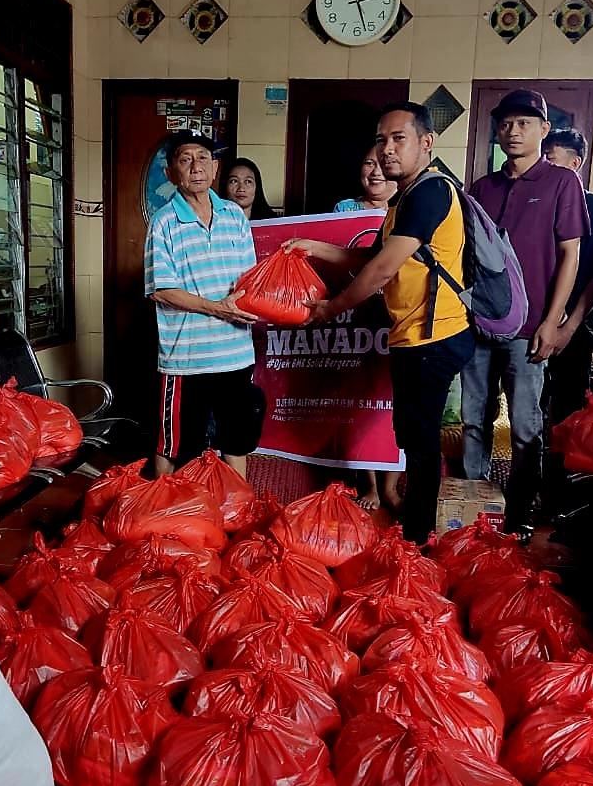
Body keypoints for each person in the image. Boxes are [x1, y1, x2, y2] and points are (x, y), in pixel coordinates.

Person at [287, 102, 474, 545]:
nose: (387, 149)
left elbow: (382, 270)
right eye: (381, 139)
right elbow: (371, 257)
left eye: (399, 139)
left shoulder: (430, 193)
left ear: (426, 143)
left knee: (421, 442)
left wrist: (330, 309)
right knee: (413, 436)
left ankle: (418, 540)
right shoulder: (406, 198)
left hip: (433, 334)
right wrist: (315, 247)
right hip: (414, 333)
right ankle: (417, 532)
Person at [462, 89, 589, 540]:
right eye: (505, 124)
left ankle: (519, 515)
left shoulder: (561, 182)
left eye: (523, 123)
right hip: (479, 325)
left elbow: (570, 254)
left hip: (531, 327)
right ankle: (472, 511)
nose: (513, 131)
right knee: (474, 418)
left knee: (524, 424)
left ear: (542, 129)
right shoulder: (481, 188)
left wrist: (553, 322)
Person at [144, 130, 263, 478]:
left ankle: (238, 512)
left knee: (236, 440)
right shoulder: (164, 222)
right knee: (175, 445)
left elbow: (248, 282)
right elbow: (161, 290)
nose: (196, 166)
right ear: (171, 173)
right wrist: (217, 308)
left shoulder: (234, 217)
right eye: (185, 159)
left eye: (203, 158)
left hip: (236, 353)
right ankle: (167, 512)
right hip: (187, 359)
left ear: (215, 168)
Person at [331, 146, 403, 511]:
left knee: (392, 402)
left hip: (398, 318)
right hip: (354, 320)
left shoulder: (405, 207)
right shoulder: (344, 210)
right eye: (367, 163)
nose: (374, 172)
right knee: (360, 400)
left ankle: (391, 483)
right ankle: (368, 484)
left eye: (381, 165)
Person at [542, 128, 593, 423]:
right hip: (533, 321)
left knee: (569, 405)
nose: (543, 165)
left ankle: (561, 467)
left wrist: (569, 327)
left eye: (550, 158)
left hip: (577, 323)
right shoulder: (537, 205)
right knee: (531, 404)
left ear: (575, 163)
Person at [334, 148, 398, 213]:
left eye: (386, 164)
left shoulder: (406, 207)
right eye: (369, 163)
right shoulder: (344, 209)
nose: (376, 172)